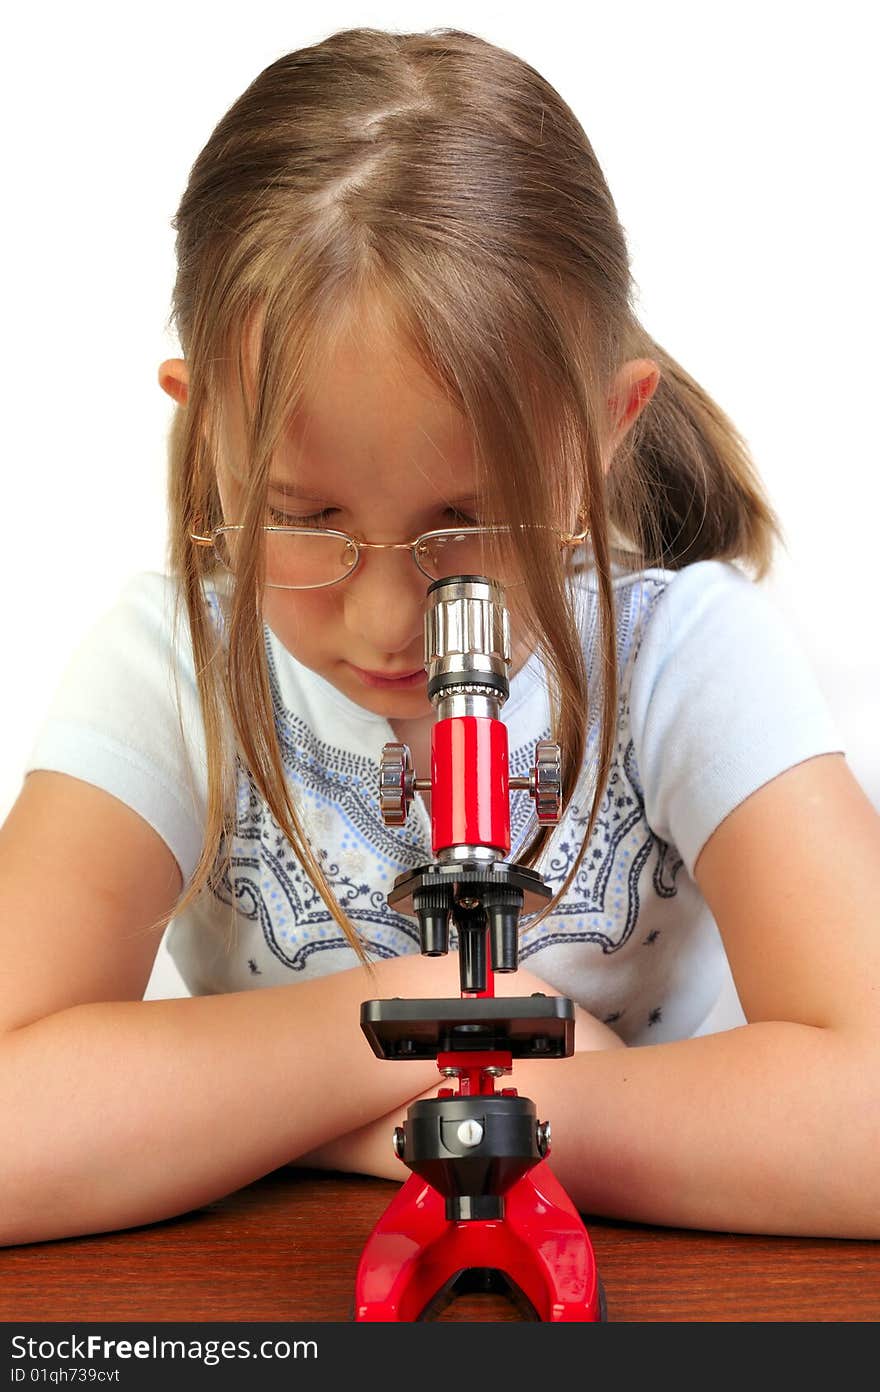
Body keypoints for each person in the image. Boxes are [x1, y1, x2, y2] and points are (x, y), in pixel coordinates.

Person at [1, 25, 877, 1251]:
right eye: (305, 519)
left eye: (466, 522)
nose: (386, 619)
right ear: (208, 440)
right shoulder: (167, 672)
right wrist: (416, 1017)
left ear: (603, 436)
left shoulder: (690, 661)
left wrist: (417, 1109)